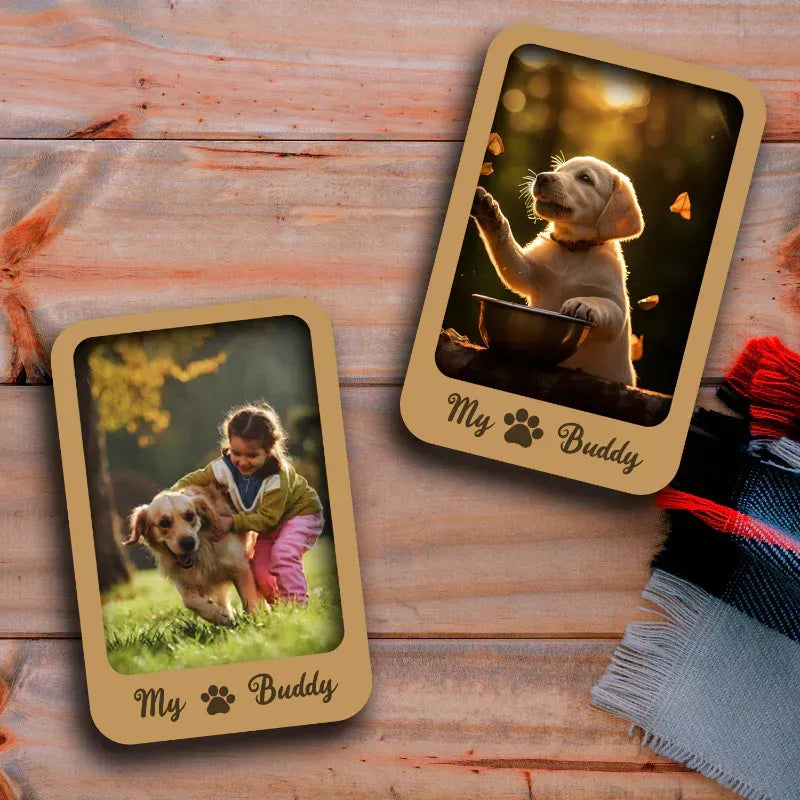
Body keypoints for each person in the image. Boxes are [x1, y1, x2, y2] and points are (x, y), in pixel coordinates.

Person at [172, 402, 323, 606]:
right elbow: (196, 478)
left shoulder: (276, 477)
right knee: (258, 569)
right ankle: (279, 605)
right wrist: (171, 496)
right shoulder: (225, 467)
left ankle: (297, 605)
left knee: (283, 554)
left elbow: (268, 519)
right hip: (267, 526)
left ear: (269, 450)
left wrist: (232, 522)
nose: (243, 461)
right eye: (236, 453)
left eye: (252, 455)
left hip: (299, 515)